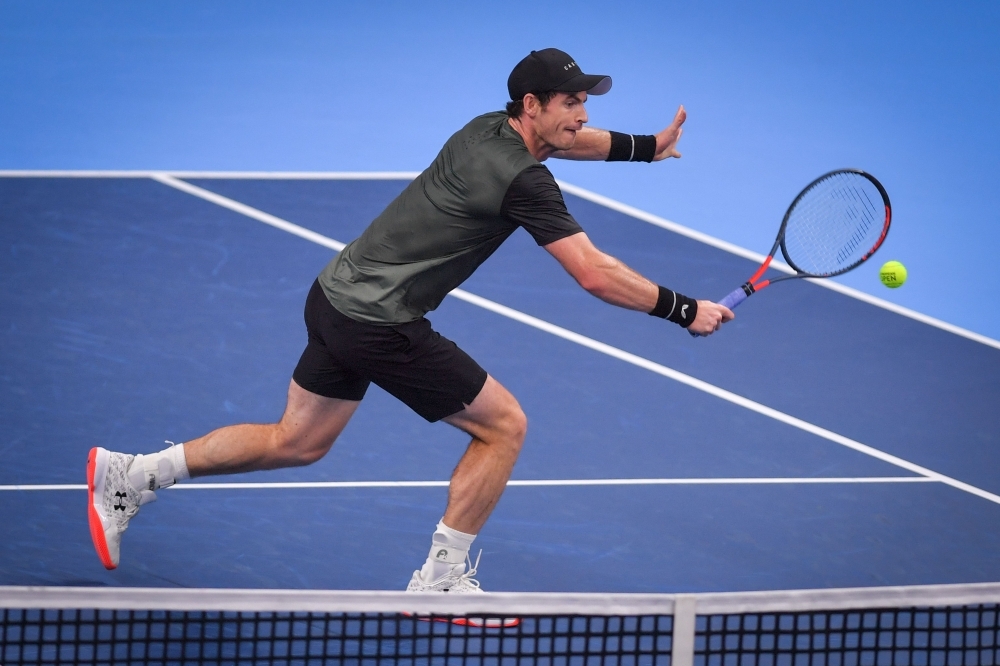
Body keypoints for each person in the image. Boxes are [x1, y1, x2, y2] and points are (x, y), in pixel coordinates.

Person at [87, 48, 734, 591]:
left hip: (335, 295)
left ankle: (133, 474)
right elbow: (594, 272)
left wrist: (645, 148)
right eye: (570, 102)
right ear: (533, 105)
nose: (583, 114)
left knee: (298, 442)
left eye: (584, 101)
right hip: (381, 322)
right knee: (504, 427)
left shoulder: (488, 127)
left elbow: (571, 143)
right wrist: (684, 310)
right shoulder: (525, 183)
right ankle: (442, 578)